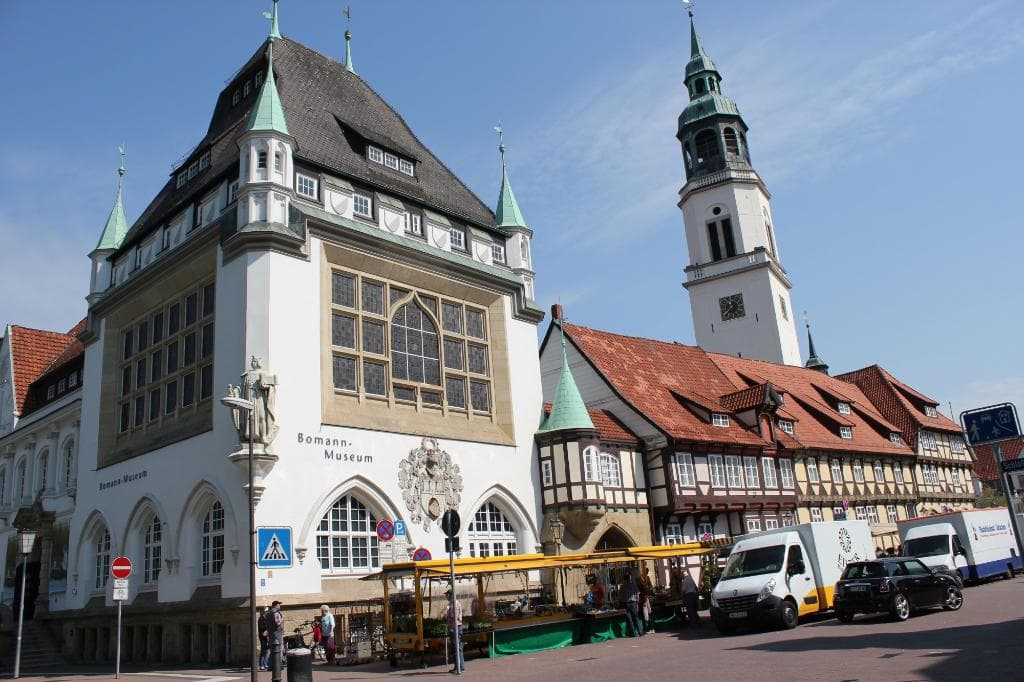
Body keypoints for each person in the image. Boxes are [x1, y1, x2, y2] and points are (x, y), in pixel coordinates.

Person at [445, 589, 465, 674]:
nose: (446, 596)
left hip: (455, 628)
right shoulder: (452, 604)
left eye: (447, 595)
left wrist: (447, 617)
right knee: (455, 648)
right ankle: (458, 666)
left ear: (451, 595)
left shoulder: (455, 605)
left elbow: (454, 617)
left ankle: (460, 667)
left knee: (457, 648)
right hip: (454, 627)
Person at [269, 600, 285, 669]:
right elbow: (278, 623)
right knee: (279, 649)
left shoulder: (269, 613)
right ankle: (278, 665)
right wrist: (282, 618)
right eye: (279, 604)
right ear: (276, 605)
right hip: (277, 633)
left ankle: (271, 665)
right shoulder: (276, 613)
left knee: (272, 650)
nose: (280, 606)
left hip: (271, 633)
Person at [257, 605, 271, 670]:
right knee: (263, 650)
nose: (267, 612)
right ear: (262, 612)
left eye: (267, 611)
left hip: (267, 636)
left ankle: (265, 663)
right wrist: (267, 626)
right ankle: (261, 665)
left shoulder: (266, 618)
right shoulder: (261, 619)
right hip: (262, 636)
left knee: (267, 650)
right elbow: (261, 627)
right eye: (265, 611)